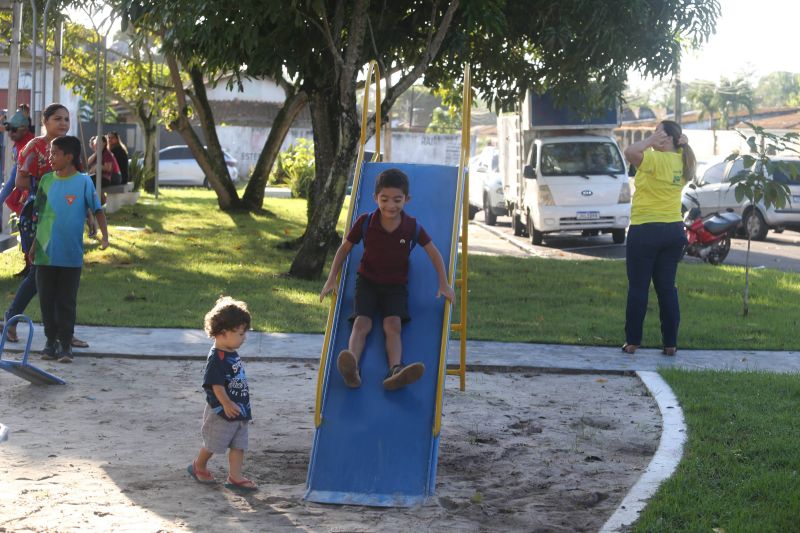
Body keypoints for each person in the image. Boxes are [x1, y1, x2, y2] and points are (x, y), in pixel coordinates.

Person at [319, 168, 455, 390]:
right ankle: (352, 368)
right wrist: (331, 277)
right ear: (375, 198)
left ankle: (395, 371)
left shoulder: (412, 226)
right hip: (367, 282)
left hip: (395, 285)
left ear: (407, 199)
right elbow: (344, 248)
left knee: (392, 325)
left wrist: (444, 283)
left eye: (397, 200)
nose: (391, 205)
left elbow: (434, 253)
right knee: (362, 323)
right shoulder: (365, 221)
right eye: (384, 199)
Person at [622, 120, 695, 357]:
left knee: (638, 288)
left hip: (645, 230)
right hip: (673, 231)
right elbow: (685, 151)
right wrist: (681, 143)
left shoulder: (655, 159)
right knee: (667, 288)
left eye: (656, 134)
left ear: (665, 138)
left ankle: (633, 342)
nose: (653, 138)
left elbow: (630, 152)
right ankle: (670, 344)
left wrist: (650, 142)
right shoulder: (683, 160)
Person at [32, 135, 109, 362]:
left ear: (69, 157)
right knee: (46, 301)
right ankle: (50, 342)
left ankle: (66, 345)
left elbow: (97, 209)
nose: (50, 157)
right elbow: (40, 217)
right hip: (45, 254)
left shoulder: (84, 182)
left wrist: (105, 235)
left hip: (71, 255)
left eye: (54, 153)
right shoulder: (46, 181)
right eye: (50, 153)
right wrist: (35, 243)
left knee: (66, 302)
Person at [188, 296, 258, 492]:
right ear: (223, 332)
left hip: (239, 409)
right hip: (222, 411)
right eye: (240, 333)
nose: (244, 337)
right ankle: (198, 465)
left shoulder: (230, 352)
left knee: (239, 444)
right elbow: (215, 384)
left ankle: (235, 477)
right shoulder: (217, 357)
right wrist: (226, 403)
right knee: (213, 443)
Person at [1, 110, 36, 278]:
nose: (10, 133)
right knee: (25, 225)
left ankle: (33, 266)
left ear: (23, 129)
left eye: (13, 130)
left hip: (36, 190)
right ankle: (29, 264)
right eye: (9, 130)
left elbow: (18, 174)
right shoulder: (19, 143)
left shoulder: (28, 144)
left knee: (28, 225)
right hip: (26, 188)